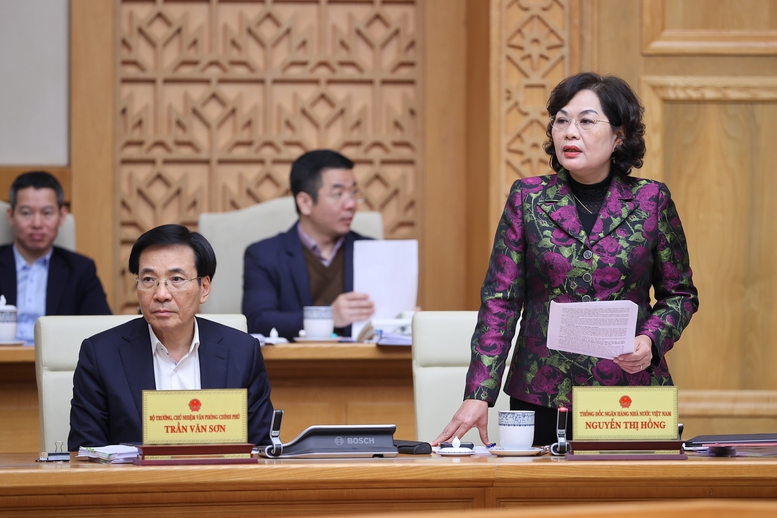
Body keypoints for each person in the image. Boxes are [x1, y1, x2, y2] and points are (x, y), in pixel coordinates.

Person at [434, 72, 699, 447]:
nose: (569, 133)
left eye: (586, 121)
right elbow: (501, 301)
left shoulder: (651, 200)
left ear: (619, 135)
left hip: (628, 392)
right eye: (561, 121)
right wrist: (479, 392)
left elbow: (680, 294)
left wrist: (651, 340)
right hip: (542, 390)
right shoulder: (528, 197)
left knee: (630, 487)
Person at [68, 224, 274, 450]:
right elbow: (86, 452)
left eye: (176, 279)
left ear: (204, 288)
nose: (161, 294)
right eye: (148, 279)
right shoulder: (101, 355)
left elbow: (261, 450)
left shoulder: (242, 353)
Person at [242, 149, 375, 340]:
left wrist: (404, 317)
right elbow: (256, 321)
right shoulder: (264, 255)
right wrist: (328, 317)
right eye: (338, 193)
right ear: (305, 202)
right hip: (294, 359)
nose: (352, 204)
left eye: (353, 193)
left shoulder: (372, 250)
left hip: (361, 359)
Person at [0, 171, 111, 343]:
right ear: (11, 216)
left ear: (61, 216)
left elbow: (103, 331)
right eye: (26, 213)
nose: (37, 224)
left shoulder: (81, 270)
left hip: (59, 359)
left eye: (47, 213)